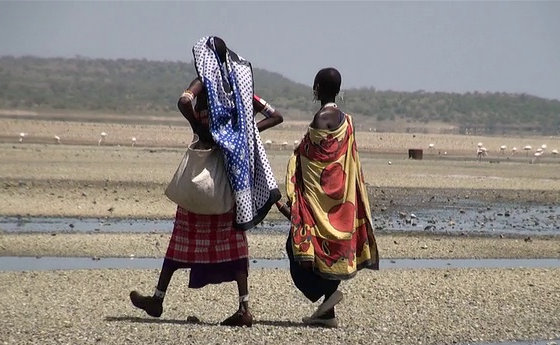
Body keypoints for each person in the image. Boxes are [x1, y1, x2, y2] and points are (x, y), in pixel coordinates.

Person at [129, 36, 283, 327]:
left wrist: (199, 127)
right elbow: (275, 115)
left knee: (183, 236)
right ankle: (244, 308)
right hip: (232, 177)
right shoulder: (240, 89)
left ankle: (158, 299)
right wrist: (244, 134)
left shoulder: (203, 84)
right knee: (234, 240)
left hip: (203, 174)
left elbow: (183, 100)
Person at [277, 67, 379, 328]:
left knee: (297, 247)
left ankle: (327, 296)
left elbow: (311, 157)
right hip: (341, 197)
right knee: (331, 247)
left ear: (317, 88)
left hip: (318, 198)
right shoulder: (347, 120)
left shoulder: (320, 118)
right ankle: (326, 312)